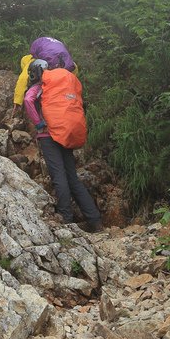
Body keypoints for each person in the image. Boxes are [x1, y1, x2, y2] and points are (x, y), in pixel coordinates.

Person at [23, 59, 103, 232]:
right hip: (66, 133)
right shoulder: (60, 87)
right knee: (72, 178)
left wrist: (38, 123)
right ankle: (95, 221)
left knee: (58, 177)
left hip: (49, 136)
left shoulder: (39, 87)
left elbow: (28, 100)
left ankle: (66, 219)